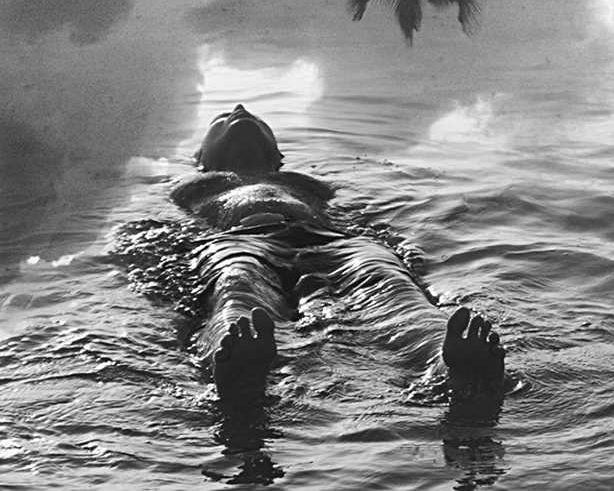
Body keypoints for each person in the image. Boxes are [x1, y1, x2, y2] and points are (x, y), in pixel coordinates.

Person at [170, 103, 507, 406]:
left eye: (254, 117)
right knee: (237, 289)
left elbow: (349, 220)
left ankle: (443, 359)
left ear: (277, 157)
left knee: (390, 285)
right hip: (242, 242)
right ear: (203, 160)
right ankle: (235, 367)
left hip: (334, 242)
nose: (240, 108)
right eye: (221, 118)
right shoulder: (190, 187)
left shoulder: (309, 184)